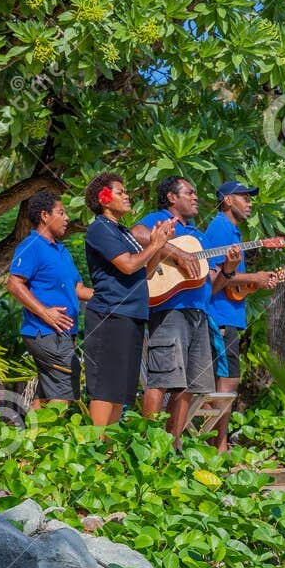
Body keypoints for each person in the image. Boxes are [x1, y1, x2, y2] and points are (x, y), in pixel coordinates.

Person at [131, 176, 239, 443]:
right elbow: (137, 234)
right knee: (162, 378)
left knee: (190, 384)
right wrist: (178, 254)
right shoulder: (160, 219)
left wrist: (228, 269)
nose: (195, 198)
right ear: (171, 197)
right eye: (189, 193)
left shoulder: (197, 235)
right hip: (170, 311)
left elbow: (211, 286)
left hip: (199, 314)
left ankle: (172, 445)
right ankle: (146, 445)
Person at [81, 171, 175, 426]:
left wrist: (158, 242)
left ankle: (108, 450)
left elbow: (145, 270)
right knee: (105, 387)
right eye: (120, 192)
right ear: (104, 199)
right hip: (110, 314)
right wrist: (154, 246)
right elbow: (127, 265)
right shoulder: (99, 229)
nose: (127, 196)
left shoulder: (122, 232)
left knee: (121, 390)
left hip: (131, 315)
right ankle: (96, 449)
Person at [204, 180, 284, 450]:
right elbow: (214, 275)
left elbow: (233, 286)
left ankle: (219, 442)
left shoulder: (234, 233)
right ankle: (219, 445)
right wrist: (254, 277)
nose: (249, 203)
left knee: (228, 381)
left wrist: (256, 283)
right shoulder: (219, 227)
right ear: (227, 200)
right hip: (219, 316)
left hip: (230, 314)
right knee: (226, 381)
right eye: (244, 197)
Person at [6, 190, 93, 406]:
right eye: (61, 213)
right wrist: (45, 312)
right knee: (64, 391)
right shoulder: (32, 245)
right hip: (45, 332)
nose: (66, 218)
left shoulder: (62, 251)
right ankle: (52, 439)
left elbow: (77, 288)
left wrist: (112, 296)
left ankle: (32, 439)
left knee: (46, 394)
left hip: (63, 333)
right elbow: (14, 283)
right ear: (45, 215)